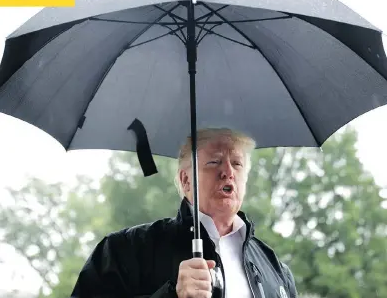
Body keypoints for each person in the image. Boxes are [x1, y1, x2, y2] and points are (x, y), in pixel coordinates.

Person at [70, 128, 298, 298]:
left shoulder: (276, 271)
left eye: (237, 164)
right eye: (214, 161)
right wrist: (171, 295)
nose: (227, 172)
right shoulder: (124, 251)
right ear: (186, 179)